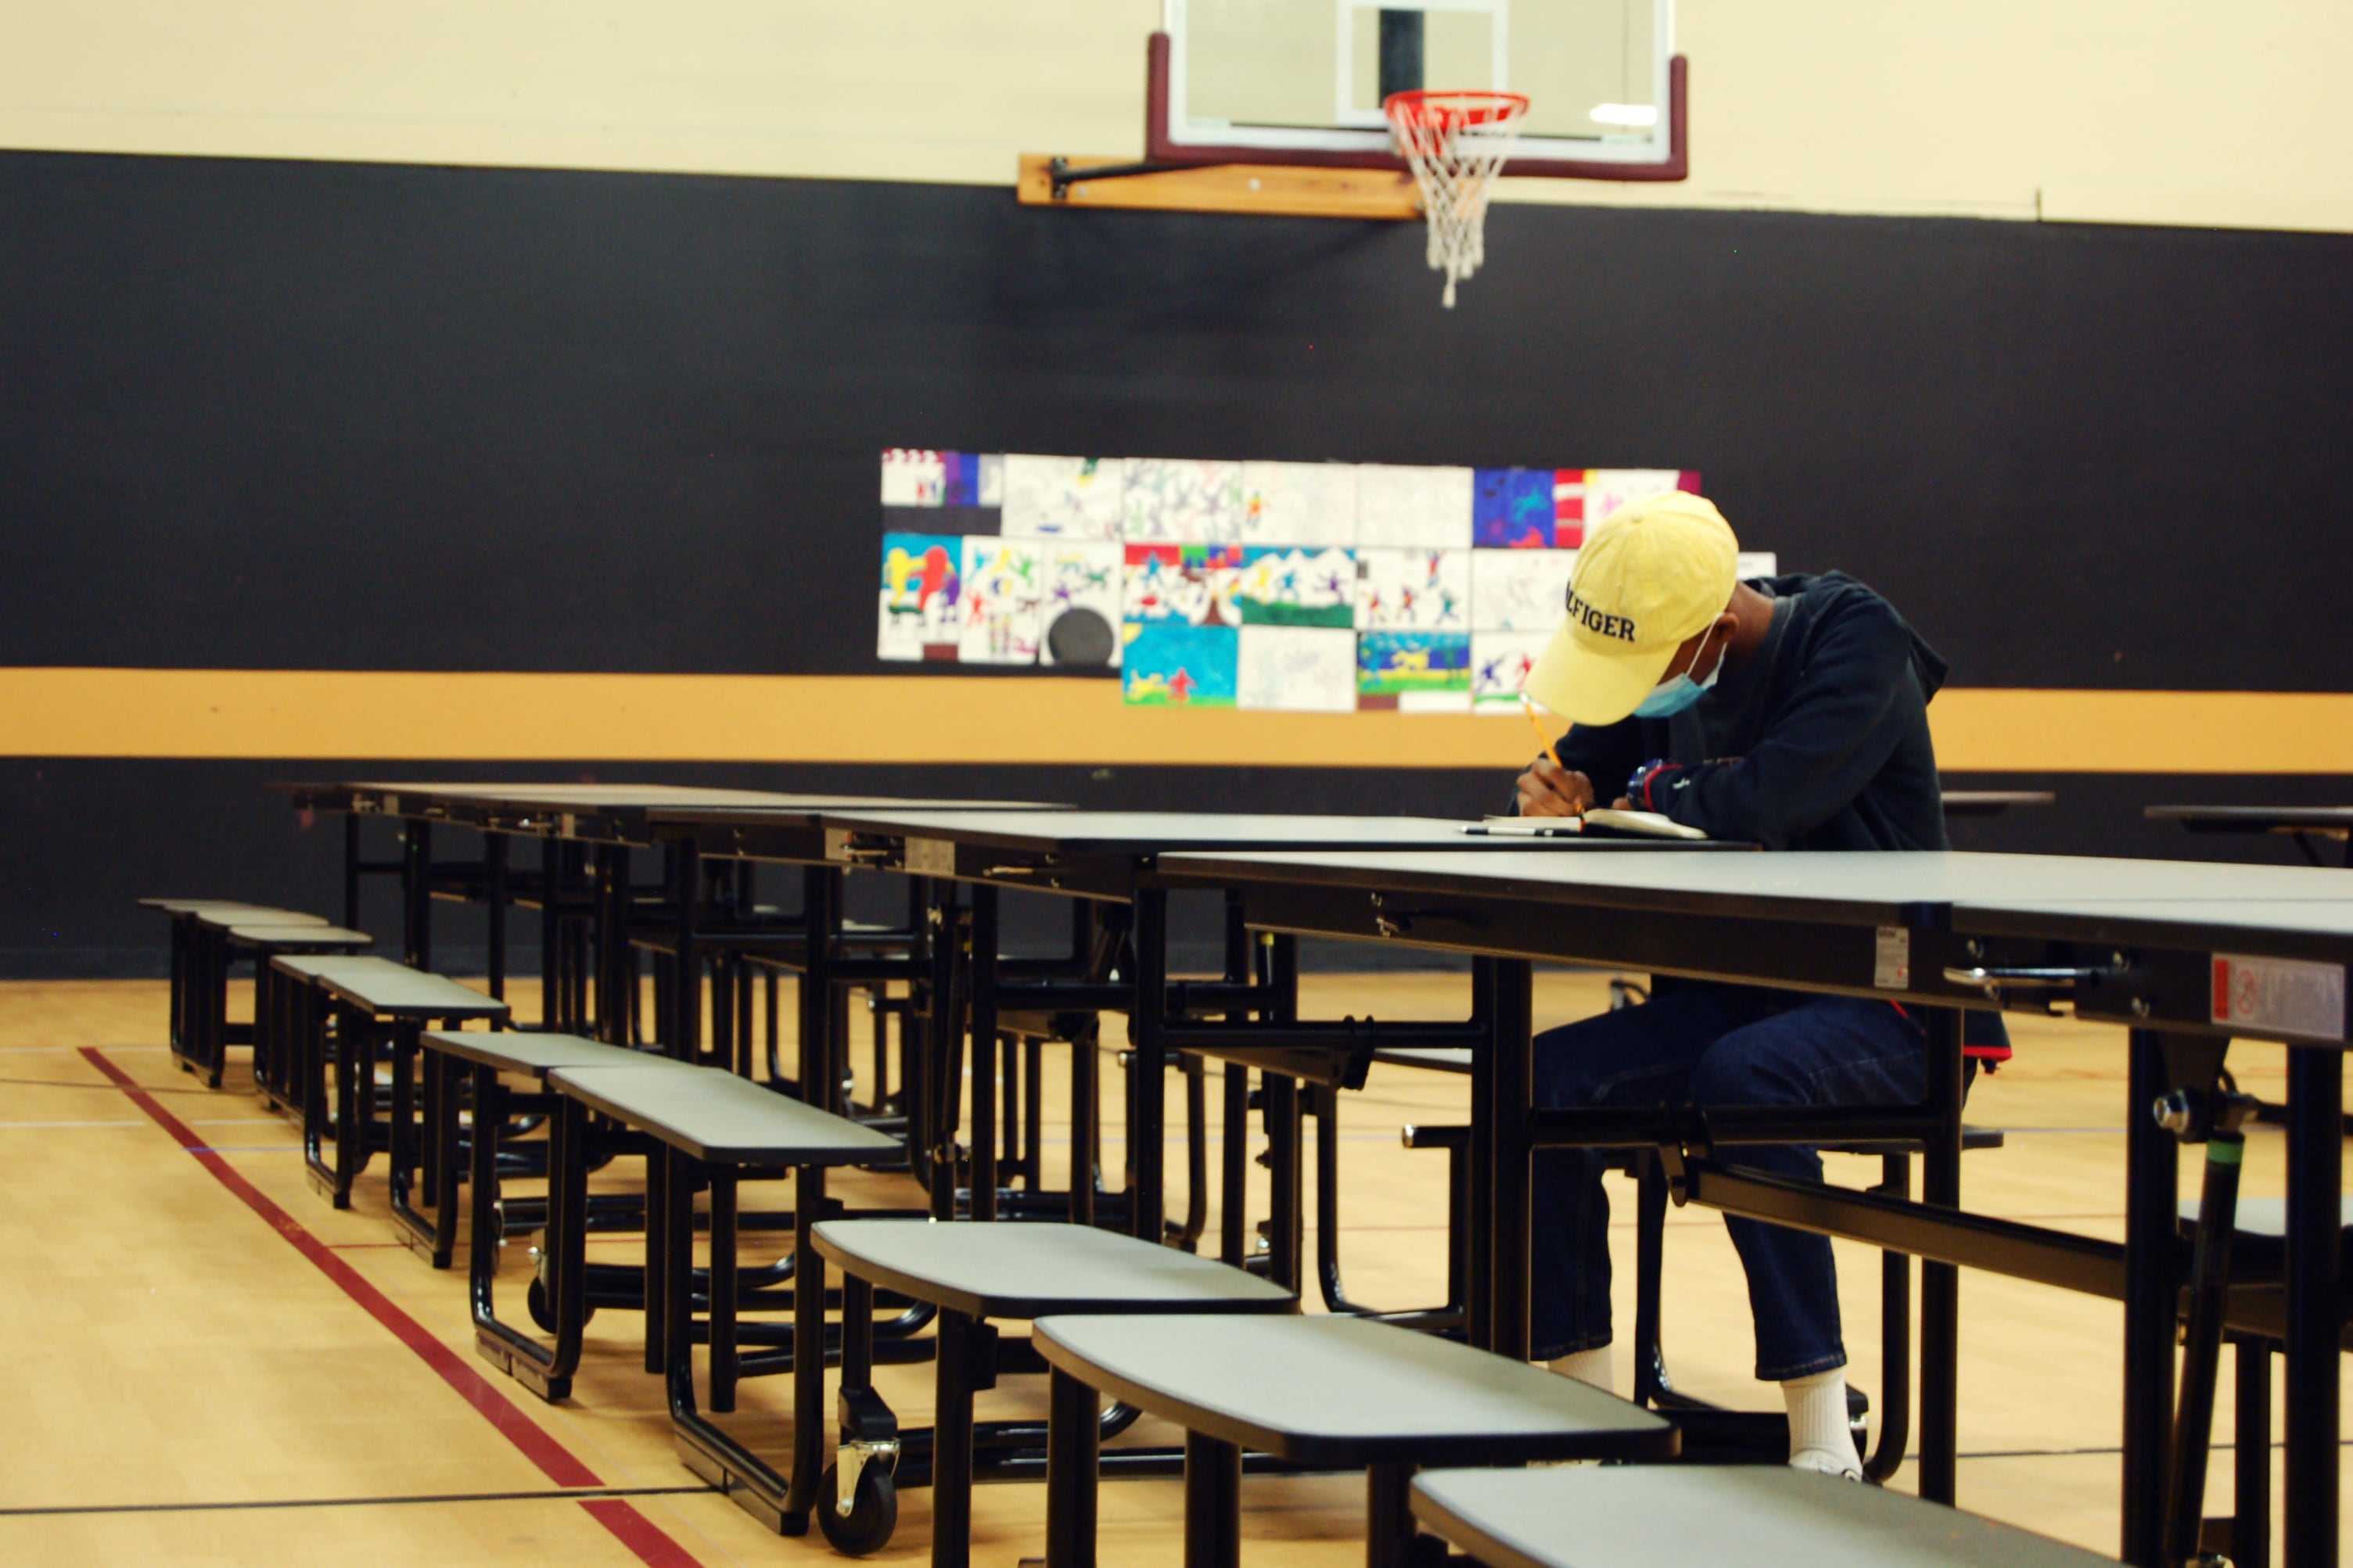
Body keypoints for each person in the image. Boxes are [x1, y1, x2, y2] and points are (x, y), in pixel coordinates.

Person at [1512, 490, 2006, 1480]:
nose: (1629, 690)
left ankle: (1821, 1433)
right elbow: (1568, 769)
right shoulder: (1666, 673)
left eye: (1642, 665)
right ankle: (1581, 1422)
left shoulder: (1854, 637)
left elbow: (1769, 799)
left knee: (1748, 1078)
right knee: (1538, 1085)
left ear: (1716, 631)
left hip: (1896, 1009)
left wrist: (1641, 791)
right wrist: (1546, 783)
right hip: (1740, 994)